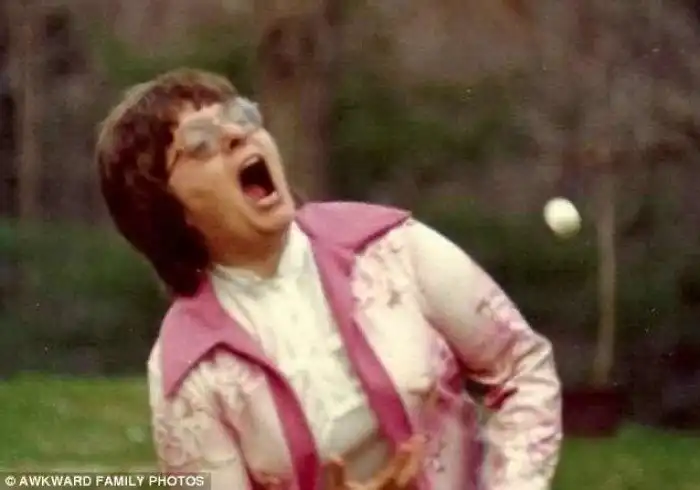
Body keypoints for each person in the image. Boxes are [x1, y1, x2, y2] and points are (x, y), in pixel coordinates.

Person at [96, 68, 562, 490]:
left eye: (241, 115)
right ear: (168, 210)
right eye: (200, 143)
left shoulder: (390, 247)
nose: (237, 134)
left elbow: (522, 367)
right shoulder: (188, 369)